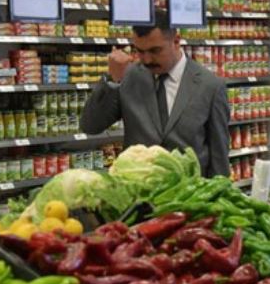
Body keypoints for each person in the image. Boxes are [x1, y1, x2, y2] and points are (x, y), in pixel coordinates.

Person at [81, 11, 230, 177]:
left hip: (188, 196)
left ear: (176, 41)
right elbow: (90, 126)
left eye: (155, 51)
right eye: (140, 51)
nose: (147, 60)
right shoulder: (129, 76)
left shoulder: (211, 86)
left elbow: (219, 157)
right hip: (138, 194)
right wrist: (112, 80)